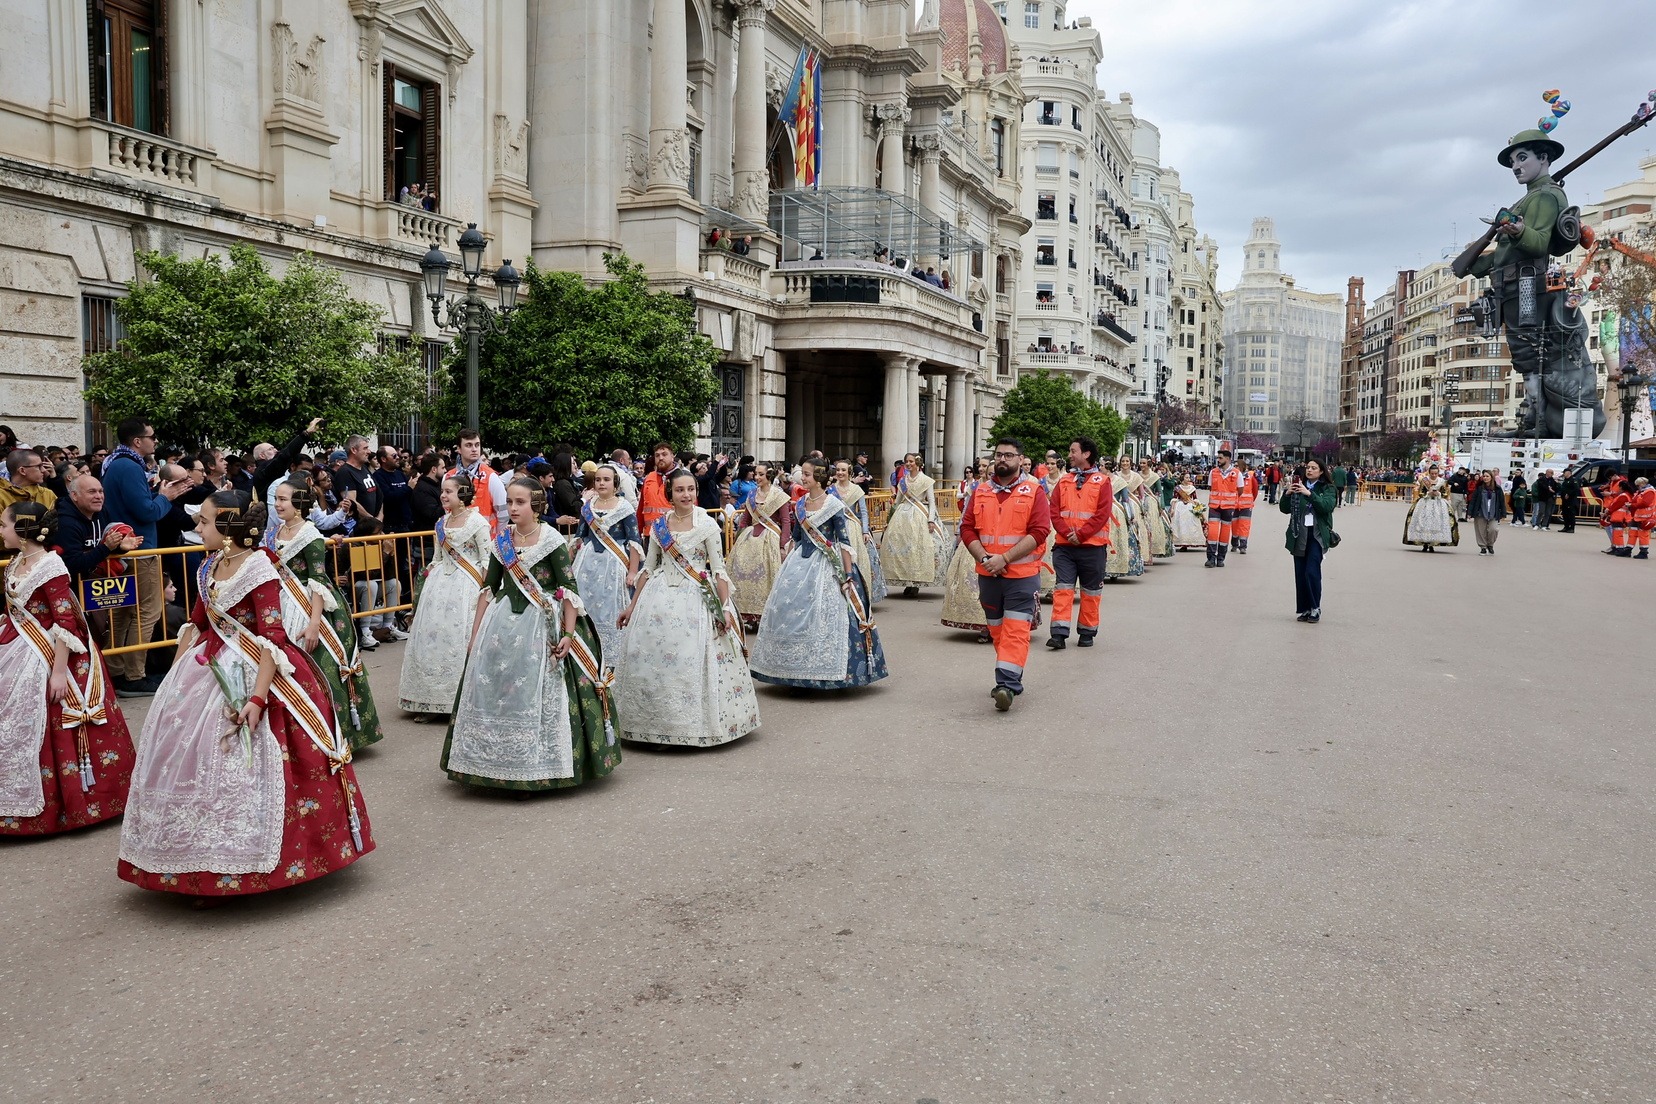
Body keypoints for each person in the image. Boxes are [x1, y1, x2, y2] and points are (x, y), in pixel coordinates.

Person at [118, 491, 372, 900]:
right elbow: (198, 625)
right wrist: (171, 683)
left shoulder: (259, 568)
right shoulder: (209, 566)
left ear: (229, 527)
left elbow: (272, 638)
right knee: (185, 756)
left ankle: (250, 858)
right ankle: (189, 855)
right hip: (207, 667)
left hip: (256, 672)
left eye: (204, 521)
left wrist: (257, 698)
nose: (198, 527)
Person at [443, 478, 621, 792]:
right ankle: (495, 762)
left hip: (544, 625)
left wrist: (569, 634)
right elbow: (488, 589)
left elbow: (568, 589)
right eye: (510, 502)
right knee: (502, 689)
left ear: (536, 505)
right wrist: (474, 636)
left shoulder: (551, 540)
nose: (513, 508)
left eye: (520, 502)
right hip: (502, 626)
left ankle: (543, 765)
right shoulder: (501, 541)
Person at [0, 501, 134, 836]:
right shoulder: (16, 563)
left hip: (55, 657)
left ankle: (75, 805)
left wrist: (59, 672)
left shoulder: (50, 566)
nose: (0, 530)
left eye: (3, 524)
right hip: (20, 648)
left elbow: (65, 622)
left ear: (22, 530)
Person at [613, 469, 760, 747]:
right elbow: (649, 568)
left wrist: (725, 608)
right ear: (670, 493)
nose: (686, 495)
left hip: (696, 598)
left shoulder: (707, 524)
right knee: (654, 661)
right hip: (657, 600)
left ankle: (693, 726)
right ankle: (654, 725)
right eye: (680, 490)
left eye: (691, 489)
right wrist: (631, 607)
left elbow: (719, 570)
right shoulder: (659, 526)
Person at [265, 478, 384, 750]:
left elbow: (317, 580)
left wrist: (314, 623)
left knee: (324, 667)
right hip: (282, 602)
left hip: (312, 607)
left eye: (283, 499)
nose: (277, 504)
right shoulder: (274, 533)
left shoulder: (310, 535)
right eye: (276, 499)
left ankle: (336, 737)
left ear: (299, 503)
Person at [749, 460, 888, 690]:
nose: (802, 478)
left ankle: (826, 670)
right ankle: (790, 669)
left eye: (806, 474)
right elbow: (796, 536)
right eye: (803, 474)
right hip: (799, 564)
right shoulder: (800, 504)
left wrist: (848, 575)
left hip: (827, 565)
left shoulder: (833, 505)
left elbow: (844, 541)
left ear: (819, 477)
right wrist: (786, 564)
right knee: (787, 610)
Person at [959, 438, 1052, 713]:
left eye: (1009, 455)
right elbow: (967, 528)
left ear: (1021, 460)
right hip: (988, 574)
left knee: (1016, 630)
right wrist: (985, 558)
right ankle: (1011, 674)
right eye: (999, 454)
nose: (1002, 459)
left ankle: (1006, 685)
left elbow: (1039, 531)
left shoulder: (1034, 491)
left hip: (1022, 575)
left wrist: (1005, 558)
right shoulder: (981, 490)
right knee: (997, 629)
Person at [101, 418, 191, 696]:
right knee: (146, 612)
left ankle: (117, 671)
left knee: (124, 612)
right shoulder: (128, 467)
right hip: (141, 551)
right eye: (152, 437)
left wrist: (157, 494)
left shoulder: (118, 464)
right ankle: (134, 675)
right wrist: (165, 497)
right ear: (137, 441)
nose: (156, 441)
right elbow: (147, 512)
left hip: (126, 551)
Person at [398, 474, 491, 716]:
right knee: (432, 639)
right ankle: (428, 699)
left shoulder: (478, 522)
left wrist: (488, 592)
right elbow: (437, 559)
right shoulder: (441, 523)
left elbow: (486, 560)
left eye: (449, 491)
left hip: (467, 587)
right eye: (442, 491)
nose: (443, 495)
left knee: (460, 637)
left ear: (463, 494)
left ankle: (460, 700)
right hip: (438, 588)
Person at [571, 463, 643, 667]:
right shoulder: (588, 507)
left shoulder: (624, 508)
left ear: (615, 484)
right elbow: (579, 537)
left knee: (610, 606)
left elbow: (634, 541)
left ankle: (612, 657)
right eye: (598, 480)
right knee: (586, 603)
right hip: (587, 564)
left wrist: (632, 572)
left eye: (606, 480)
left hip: (614, 564)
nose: (601, 483)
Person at [1045, 437, 1111, 650]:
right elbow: (1054, 511)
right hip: (1065, 547)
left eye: (1073, 451)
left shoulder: (1103, 481)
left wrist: (1081, 535)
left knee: (1091, 592)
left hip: (1093, 547)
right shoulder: (1064, 480)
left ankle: (1087, 632)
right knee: (1063, 589)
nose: (1069, 455)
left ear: (1086, 454)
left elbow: (1102, 514)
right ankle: (1058, 634)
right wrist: (1067, 533)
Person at [726, 463, 790, 629]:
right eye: (756, 474)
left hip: (770, 540)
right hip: (749, 539)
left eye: (760, 474)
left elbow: (785, 521)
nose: (757, 477)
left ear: (769, 475)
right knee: (741, 574)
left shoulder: (779, 496)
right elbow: (746, 519)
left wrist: (783, 545)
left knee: (766, 577)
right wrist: (738, 539)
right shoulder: (752, 494)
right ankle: (745, 614)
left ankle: (765, 615)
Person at [881, 453, 946, 596]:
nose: (908, 464)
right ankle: (907, 581)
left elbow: (932, 502)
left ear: (917, 463)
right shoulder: (903, 481)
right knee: (904, 550)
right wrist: (889, 520)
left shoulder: (926, 480)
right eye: (906, 461)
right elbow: (897, 502)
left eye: (911, 461)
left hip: (919, 516)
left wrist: (931, 520)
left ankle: (916, 583)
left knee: (917, 549)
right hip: (902, 517)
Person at [1279, 460, 1337, 623]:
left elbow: (1326, 506)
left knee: (1311, 571)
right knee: (1300, 572)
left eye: (1314, 468)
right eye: (1308, 468)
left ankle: (1315, 607)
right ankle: (1304, 608)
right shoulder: (1298, 486)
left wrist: (1310, 494)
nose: (1309, 470)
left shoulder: (1327, 488)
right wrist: (1287, 494)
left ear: (1321, 471)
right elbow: (1284, 509)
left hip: (1316, 535)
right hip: (1299, 533)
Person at [939, 467, 990, 642]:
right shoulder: (976, 489)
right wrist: (961, 532)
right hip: (975, 540)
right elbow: (967, 511)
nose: (986, 473)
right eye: (985, 471)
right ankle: (982, 625)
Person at [832, 459, 887, 605]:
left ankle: (858, 595)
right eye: (838, 470)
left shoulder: (856, 490)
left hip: (852, 527)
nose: (840, 473)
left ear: (849, 472)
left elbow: (863, 512)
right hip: (835, 528)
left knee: (856, 560)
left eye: (843, 470)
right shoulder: (831, 489)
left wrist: (865, 531)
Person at [454, 429, 509, 536]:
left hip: (486, 540)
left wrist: (496, 538)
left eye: (477, 445)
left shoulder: (491, 477)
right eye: (468, 445)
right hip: (458, 539)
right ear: (459, 449)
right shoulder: (449, 477)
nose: (474, 449)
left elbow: (503, 513)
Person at [1403, 464, 1458, 551]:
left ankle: (1433, 543)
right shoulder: (1424, 481)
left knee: (1437, 522)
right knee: (1423, 523)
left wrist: (1438, 493)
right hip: (1425, 503)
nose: (1434, 475)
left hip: (1438, 503)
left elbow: (1445, 493)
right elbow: (1421, 493)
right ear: (1429, 473)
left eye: (1435, 473)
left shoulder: (1442, 481)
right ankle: (1424, 543)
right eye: (1432, 473)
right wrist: (1428, 493)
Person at [1205, 447, 1244, 568]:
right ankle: (1211, 558)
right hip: (1214, 506)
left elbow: (1240, 490)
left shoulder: (1237, 473)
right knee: (1212, 532)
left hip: (1228, 507)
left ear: (1227, 459)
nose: (1218, 460)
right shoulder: (1213, 472)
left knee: (1225, 533)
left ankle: (1221, 558)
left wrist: (1229, 499)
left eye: (1220, 458)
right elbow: (1210, 487)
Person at [637, 442, 676, 539]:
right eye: (657, 455)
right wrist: (638, 533)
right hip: (650, 534)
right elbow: (641, 507)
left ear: (672, 456)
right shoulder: (648, 478)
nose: (661, 458)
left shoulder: (681, 477)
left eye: (664, 454)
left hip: (673, 534)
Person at [0, 449, 58, 513]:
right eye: (38, 466)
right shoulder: (2, 496)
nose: (43, 470)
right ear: (22, 471)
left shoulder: (47, 494)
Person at [1468, 469, 1507, 554]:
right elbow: (1473, 500)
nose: (1485, 478)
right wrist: (1469, 512)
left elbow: (1502, 501)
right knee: (1481, 531)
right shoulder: (1479, 488)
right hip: (1481, 512)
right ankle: (1483, 547)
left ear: (1491, 477)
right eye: (1484, 476)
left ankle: (1490, 544)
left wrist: (1503, 513)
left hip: (1493, 513)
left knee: (1494, 529)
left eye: (1487, 476)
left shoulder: (1497, 489)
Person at [1230, 457, 1260, 554]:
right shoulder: (1231, 477)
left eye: (1237, 466)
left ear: (1242, 467)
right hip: (1234, 505)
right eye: (1234, 466)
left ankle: (1243, 546)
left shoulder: (1250, 477)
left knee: (1244, 526)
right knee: (1234, 526)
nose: (1235, 468)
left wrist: (1250, 501)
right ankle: (1234, 544)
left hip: (1246, 506)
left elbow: (1255, 491)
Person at [1169, 472, 1207, 549]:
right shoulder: (1178, 488)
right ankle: (1182, 542)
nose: (1188, 479)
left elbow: (1195, 499)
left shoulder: (1192, 488)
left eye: (1189, 477)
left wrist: (1199, 509)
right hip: (1180, 507)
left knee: (1191, 523)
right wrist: (1172, 509)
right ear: (1182, 479)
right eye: (1186, 477)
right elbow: (1174, 499)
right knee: (1180, 524)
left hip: (1190, 506)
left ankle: (1191, 541)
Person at [1601, 475, 1633, 556]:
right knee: (1616, 533)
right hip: (1620, 516)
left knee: (1617, 534)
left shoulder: (1623, 496)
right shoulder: (1627, 495)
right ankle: (1616, 548)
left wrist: (1607, 512)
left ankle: (1619, 549)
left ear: (1621, 487)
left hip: (1618, 517)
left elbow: (1615, 506)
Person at [1629, 476, 1655, 560]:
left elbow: (1645, 503)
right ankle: (1628, 549)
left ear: (1642, 483)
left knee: (1643, 535)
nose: (1637, 487)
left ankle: (1643, 552)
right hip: (1638, 516)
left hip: (1645, 517)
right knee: (1632, 533)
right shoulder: (1641, 492)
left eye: (1638, 485)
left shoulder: (1649, 491)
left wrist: (1632, 505)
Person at [1558, 468, 1581, 533]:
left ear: (1568, 473)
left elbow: (1576, 489)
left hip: (1571, 501)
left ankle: (1571, 528)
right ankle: (1566, 527)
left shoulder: (1573, 480)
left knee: (1571, 514)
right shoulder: (1565, 480)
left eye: (1564, 472)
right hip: (1564, 500)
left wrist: (1569, 494)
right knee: (1565, 514)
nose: (1563, 474)